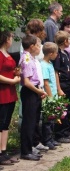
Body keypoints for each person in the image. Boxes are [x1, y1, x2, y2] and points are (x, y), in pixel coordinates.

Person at [19, 35, 48, 161]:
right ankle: (25, 151)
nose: (39, 48)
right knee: (28, 122)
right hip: (30, 91)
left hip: (35, 90)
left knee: (33, 120)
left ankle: (30, 148)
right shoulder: (26, 58)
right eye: (37, 45)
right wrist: (38, 91)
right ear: (31, 47)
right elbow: (26, 81)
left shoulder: (31, 57)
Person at [53, 31, 70, 144]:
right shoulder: (57, 54)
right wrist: (59, 88)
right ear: (64, 41)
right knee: (62, 109)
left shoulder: (66, 54)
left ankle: (67, 131)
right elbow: (56, 72)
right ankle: (60, 133)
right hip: (62, 84)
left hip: (69, 83)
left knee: (68, 109)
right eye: (69, 40)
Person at [0, 31, 21, 165]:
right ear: (6, 39)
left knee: (5, 122)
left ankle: (3, 150)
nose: (12, 40)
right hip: (2, 91)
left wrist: (16, 73)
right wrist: (12, 81)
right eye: (11, 38)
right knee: (0, 122)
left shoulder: (8, 54)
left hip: (10, 92)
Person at [41, 42, 64, 149]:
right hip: (49, 97)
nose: (57, 55)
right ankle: (47, 140)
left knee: (53, 118)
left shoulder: (50, 63)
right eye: (56, 53)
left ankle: (51, 138)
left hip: (54, 95)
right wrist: (50, 97)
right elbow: (46, 83)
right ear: (50, 54)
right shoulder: (44, 65)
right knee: (48, 120)